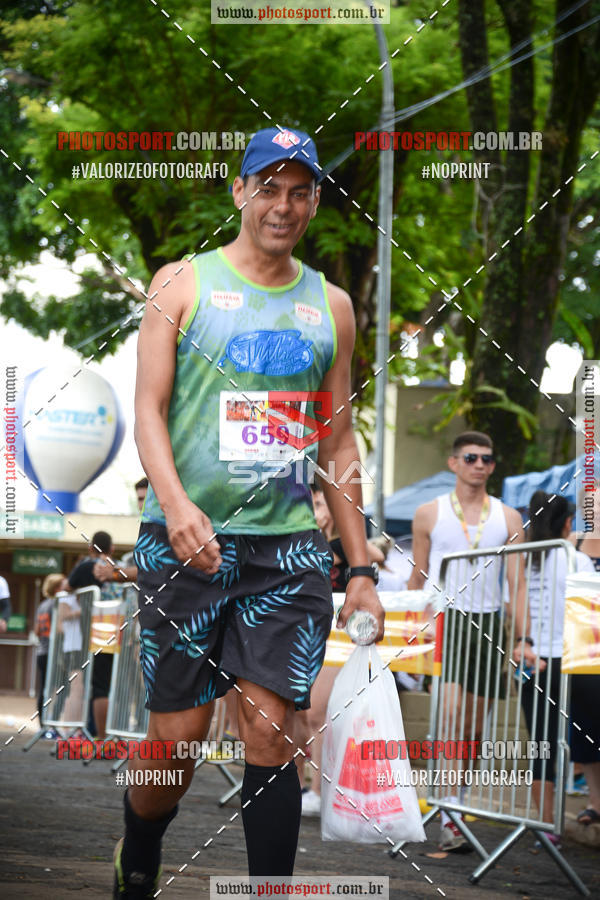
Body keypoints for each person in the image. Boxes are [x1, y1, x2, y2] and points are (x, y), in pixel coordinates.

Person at [116, 126, 385, 898]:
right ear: (239, 192)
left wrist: (360, 567)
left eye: (301, 192)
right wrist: (174, 506)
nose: (284, 205)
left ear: (315, 203)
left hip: (287, 549)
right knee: (176, 745)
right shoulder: (182, 284)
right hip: (186, 542)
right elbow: (147, 408)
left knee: (272, 732)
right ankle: (140, 848)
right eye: (269, 187)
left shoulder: (332, 306)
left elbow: (338, 439)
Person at [408, 430, 528, 851]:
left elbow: (517, 584)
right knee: (450, 719)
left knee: (475, 729)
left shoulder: (509, 518)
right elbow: (417, 576)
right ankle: (450, 817)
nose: (480, 465)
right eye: (471, 457)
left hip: (489, 624)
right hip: (446, 621)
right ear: (454, 463)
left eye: (487, 459)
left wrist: (524, 638)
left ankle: (454, 802)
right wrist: (415, 627)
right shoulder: (429, 513)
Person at [518, 490, 597, 844]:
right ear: (567, 523)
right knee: (589, 733)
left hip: (532, 659)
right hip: (572, 659)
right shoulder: (576, 559)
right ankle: (593, 803)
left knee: (541, 744)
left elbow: (512, 607)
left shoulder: (524, 559)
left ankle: (547, 827)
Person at [35, 574, 62, 736]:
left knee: (44, 689)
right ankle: (53, 725)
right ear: (57, 588)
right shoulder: (57, 604)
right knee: (63, 689)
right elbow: (59, 629)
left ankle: (43, 725)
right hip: (54, 653)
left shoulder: (42, 605)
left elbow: (37, 631)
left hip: (42, 651)